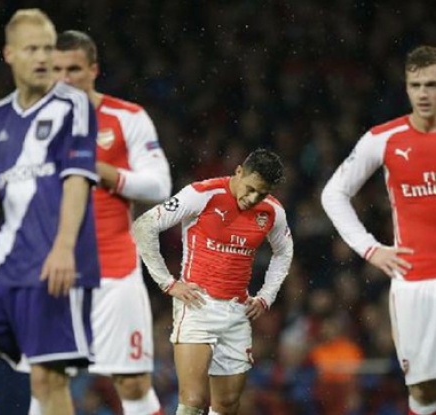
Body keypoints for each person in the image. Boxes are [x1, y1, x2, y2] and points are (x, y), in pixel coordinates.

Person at [0, 9, 100, 415]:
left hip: (52, 262)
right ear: (9, 54)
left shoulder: (73, 106)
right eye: (32, 49)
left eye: (48, 48)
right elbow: (7, 185)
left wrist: (64, 248)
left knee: (48, 381)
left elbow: (77, 179)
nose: (43, 57)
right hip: (5, 261)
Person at [38, 30, 169, 415]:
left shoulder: (127, 117)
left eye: (74, 69)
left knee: (132, 382)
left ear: (93, 70)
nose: (65, 79)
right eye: (57, 70)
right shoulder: (34, 123)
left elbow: (160, 185)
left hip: (114, 269)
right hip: (53, 270)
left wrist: (106, 172)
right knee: (46, 379)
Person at [133, 148, 293, 415]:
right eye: (250, 189)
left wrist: (267, 295)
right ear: (239, 171)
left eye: (262, 193)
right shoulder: (202, 194)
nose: (253, 199)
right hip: (197, 305)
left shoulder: (273, 211)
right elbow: (144, 225)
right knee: (193, 400)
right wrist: (168, 283)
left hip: (237, 311)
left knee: (227, 404)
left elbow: (284, 252)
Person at [321, 45, 436, 415]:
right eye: (416, 85)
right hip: (414, 281)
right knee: (423, 390)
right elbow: (333, 194)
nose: (423, 93)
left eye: (432, 84)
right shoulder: (384, 138)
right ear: (406, 87)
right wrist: (370, 248)